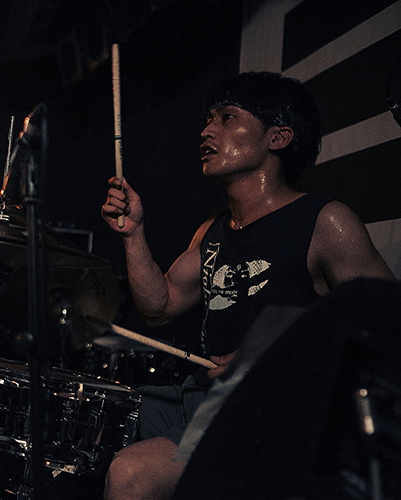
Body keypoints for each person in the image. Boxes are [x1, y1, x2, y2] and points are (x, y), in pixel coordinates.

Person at [100, 71, 395, 499]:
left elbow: (386, 325)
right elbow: (159, 305)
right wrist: (133, 235)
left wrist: (275, 356)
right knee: (99, 419)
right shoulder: (213, 230)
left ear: (278, 137)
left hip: (275, 411)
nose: (206, 131)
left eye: (227, 117)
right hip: (205, 398)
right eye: (208, 119)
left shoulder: (325, 222)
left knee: (131, 474)